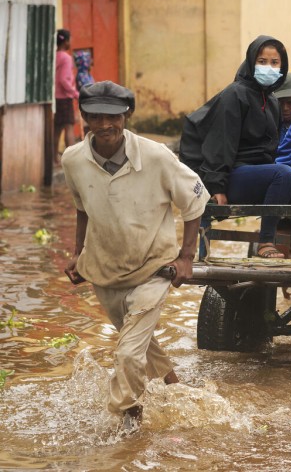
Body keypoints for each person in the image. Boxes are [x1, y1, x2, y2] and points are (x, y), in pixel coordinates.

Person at [61, 81, 209, 431]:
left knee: (128, 352)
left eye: (112, 117)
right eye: (95, 117)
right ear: (85, 118)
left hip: (154, 268)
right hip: (106, 270)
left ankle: (128, 421)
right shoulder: (73, 160)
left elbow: (195, 200)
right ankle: (178, 392)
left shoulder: (155, 156)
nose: (104, 125)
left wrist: (186, 257)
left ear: (126, 116)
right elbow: (82, 208)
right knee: (140, 341)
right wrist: (78, 254)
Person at [180, 35, 291, 259]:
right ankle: (266, 242)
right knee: (282, 174)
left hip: (257, 174)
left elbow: (270, 150)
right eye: (262, 62)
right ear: (251, 62)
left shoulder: (271, 100)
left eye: (274, 63)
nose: (269, 67)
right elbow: (220, 143)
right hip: (232, 175)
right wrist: (217, 186)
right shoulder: (235, 94)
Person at [54, 29, 80, 164]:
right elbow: (64, 80)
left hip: (55, 98)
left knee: (57, 129)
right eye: (70, 40)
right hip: (65, 98)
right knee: (69, 127)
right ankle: (72, 161)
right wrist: (75, 94)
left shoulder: (54, 56)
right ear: (65, 41)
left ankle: (54, 158)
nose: (71, 42)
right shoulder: (66, 58)